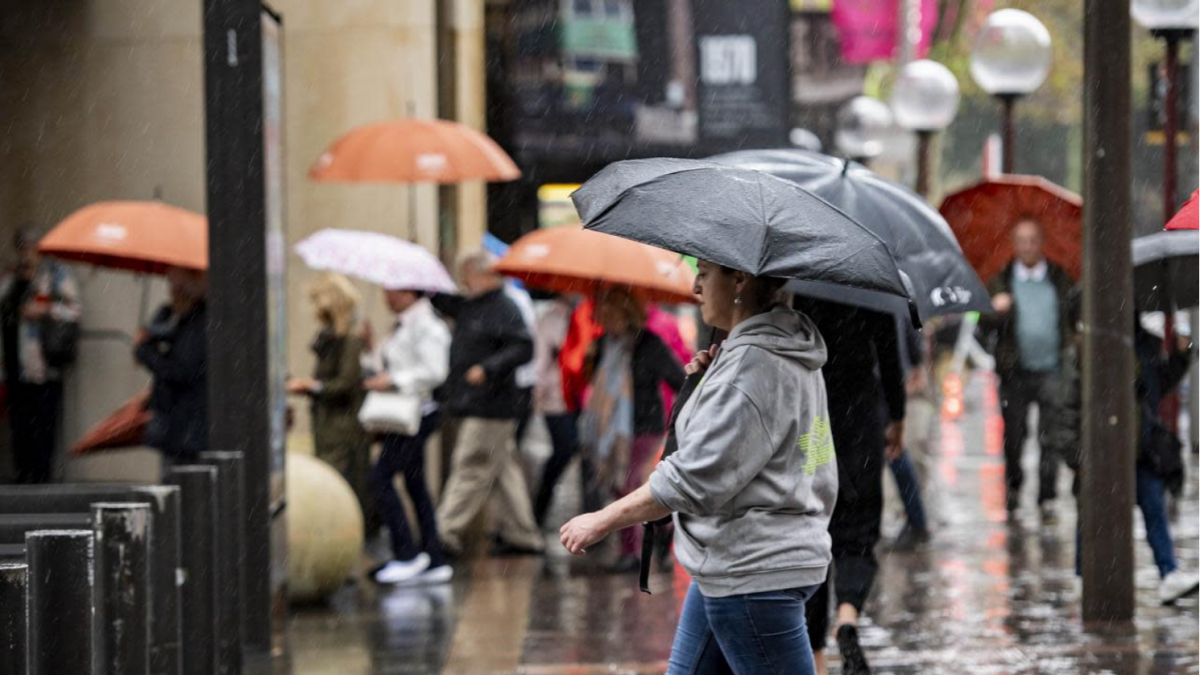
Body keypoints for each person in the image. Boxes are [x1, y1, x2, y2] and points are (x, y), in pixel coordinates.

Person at [561, 261, 836, 674]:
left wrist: (602, 519)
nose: (694, 286)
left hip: (752, 572)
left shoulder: (753, 366)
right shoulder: (776, 351)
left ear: (739, 279)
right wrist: (705, 389)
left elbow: (692, 479)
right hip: (732, 565)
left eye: (705, 273)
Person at [791, 297, 906, 675]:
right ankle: (847, 617)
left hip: (813, 417)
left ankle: (817, 658)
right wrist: (897, 417)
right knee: (858, 530)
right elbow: (889, 356)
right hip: (861, 419)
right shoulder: (869, 281)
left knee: (814, 532)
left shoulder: (797, 281)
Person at [434, 251, 544, 557]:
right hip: (479, 404)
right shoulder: (475, 305)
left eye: (467, 275)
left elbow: (523, 347)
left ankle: (444, 530)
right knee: (504, 470)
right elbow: (446, 302)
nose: (464, 282)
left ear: (484, 274)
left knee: (472, 465)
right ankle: (523, 534)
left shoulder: (503, 306)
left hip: (490, 406)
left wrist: (488, 368)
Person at [580, 286, 684, 573]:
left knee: (627, 483)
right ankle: (663, 529)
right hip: (610, 430)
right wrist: (589, 360)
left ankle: (632, 552)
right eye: (602, 312)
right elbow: (592, 385)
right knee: (623, 485)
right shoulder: (602, 344)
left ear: (625, 312)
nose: (604, 317)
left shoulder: (648, 343)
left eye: (609, 312)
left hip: (644, 426)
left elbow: (678, 379)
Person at [983, 218, 1074, 519]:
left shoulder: (1058, 279)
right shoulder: (1002, 280)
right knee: (1014, 436)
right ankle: (1014, 488)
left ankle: (1047, 496)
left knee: (1051, 437)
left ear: (1041, 243)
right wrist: (995, 310)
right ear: (1014, 244)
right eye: (1021, 241)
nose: (1027, 247)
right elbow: (983, 324)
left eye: (1032, 240)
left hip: (1052, 369)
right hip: (1015, 372)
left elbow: (1072, 315)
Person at [364, 284, 453, 585]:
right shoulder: (404, 324)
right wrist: (371, 348)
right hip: (405, 415)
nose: (385, 296)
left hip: (416, 414)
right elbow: (389, 365)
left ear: (408, 292)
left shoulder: (428, 326)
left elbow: (435, 371)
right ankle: (432, 556)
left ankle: (407, 553)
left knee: (380, 477)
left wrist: (395, 380)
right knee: (415, 484)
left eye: (391, 291)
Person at [1, 228, 82, 483]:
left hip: (44, 366)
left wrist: (45, 309)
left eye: (32, 246)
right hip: (13, 366)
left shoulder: (55, 274)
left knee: (44, 429)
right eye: (23, 247)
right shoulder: (10, 277)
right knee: (19, 429)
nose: (28, 252)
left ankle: (41, 482)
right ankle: (24, 481)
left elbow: (74, 311)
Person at [287, 273, 371, 515]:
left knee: (338, 484)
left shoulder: (350, 340)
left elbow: (346, 383)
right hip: (327, 424)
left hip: (341, 428)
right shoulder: (330, 338)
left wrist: (312, 387)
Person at [136, 266, 207, 469]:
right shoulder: (181, 320)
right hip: (181, 431)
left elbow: (180, 371)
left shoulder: (197, 323)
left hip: (186, 432)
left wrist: (144, 350)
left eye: (175, 287)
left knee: (180, 480)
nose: (171, 293)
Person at [531, 294, 592, 527]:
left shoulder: (588, 316)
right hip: (557, 398)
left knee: (584, 453)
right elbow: (540, 361)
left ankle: (590, 511)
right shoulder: (550, 319)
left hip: (583, 398)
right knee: (564, 450)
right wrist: (537, 396)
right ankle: (540, 506)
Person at [888, 318, 934, 550]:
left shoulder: (892, 307)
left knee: (898, 454)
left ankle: (916, 521)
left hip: (894, 386)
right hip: (891, 384)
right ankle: (915, 520)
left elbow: (909, 337)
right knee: (897, 455)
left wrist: (915, 365)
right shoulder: (896, 304)